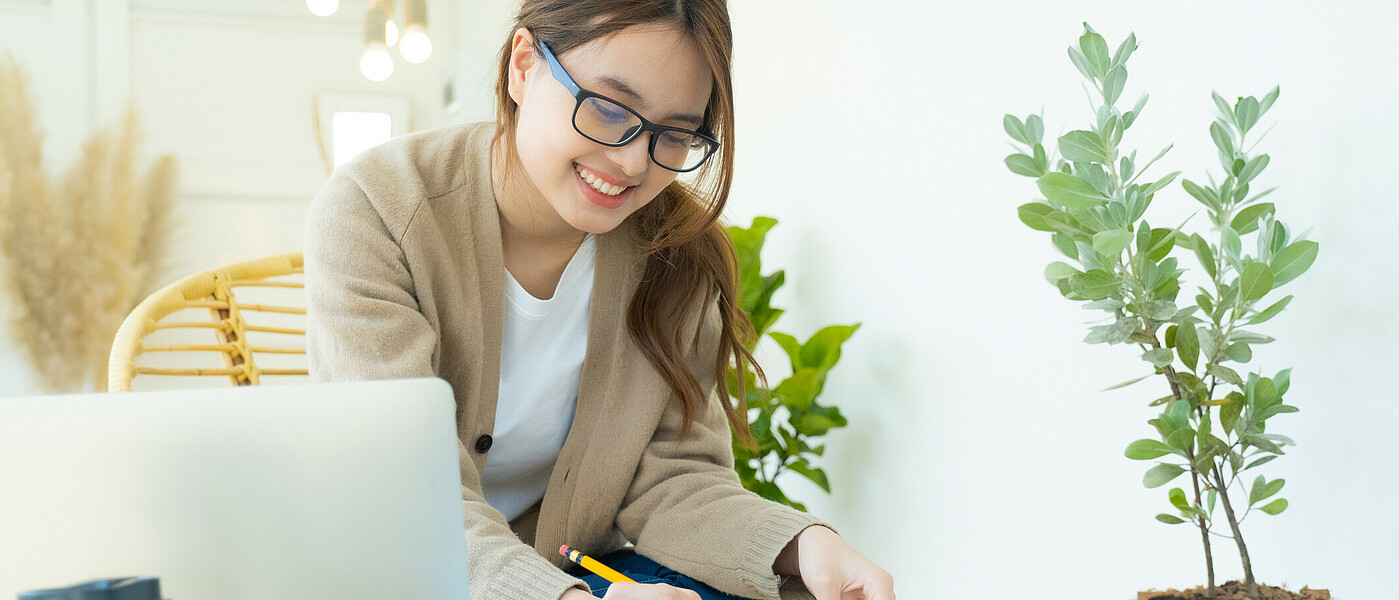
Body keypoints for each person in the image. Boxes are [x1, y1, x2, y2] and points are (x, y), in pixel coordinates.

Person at [303, 1, 895, 599]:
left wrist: (804, 545)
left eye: (675, 133)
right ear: (524, 65)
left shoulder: (677, 252)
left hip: (585, 574)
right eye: (610, 110)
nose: (633, 161)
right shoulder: (374, 210)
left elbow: (674, 479)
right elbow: (404, 493)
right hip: (404, 576)